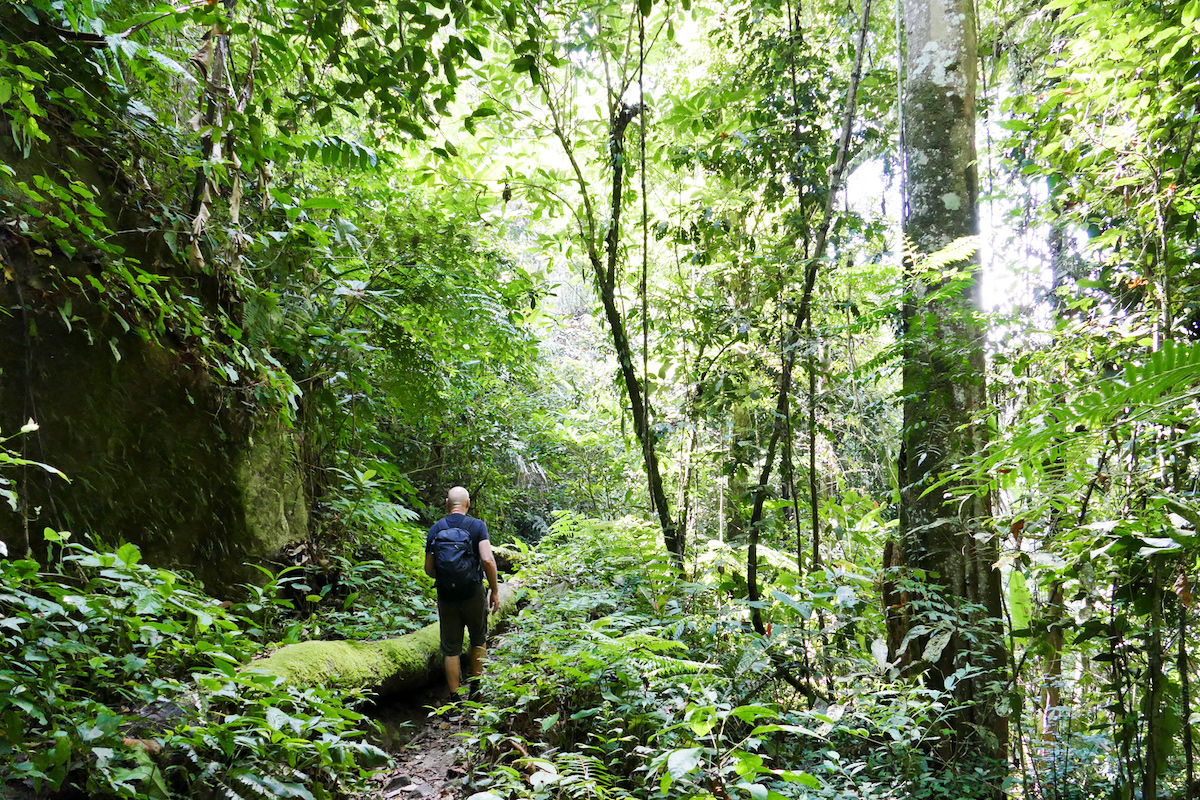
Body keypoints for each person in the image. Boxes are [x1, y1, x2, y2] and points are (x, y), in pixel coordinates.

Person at [424, 486, 500, 699]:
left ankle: (454, 699)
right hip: (473, 593)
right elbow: (487, 559)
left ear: (447, 504)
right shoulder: (477, 526)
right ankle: (476, 691)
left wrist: (447, 577)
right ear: (468, 504)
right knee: (478, 640)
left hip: (446, 595)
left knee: (451, 648)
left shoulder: (435, 529)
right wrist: (494, 590)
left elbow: (429, 569)